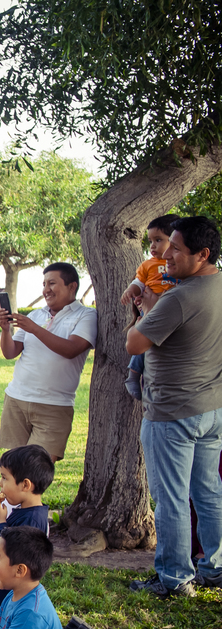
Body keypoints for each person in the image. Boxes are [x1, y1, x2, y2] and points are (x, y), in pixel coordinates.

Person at [126, 215, 222, 598]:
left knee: (171, 499)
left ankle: (174, 577)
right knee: (208, 491)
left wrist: (148, 310)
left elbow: (134, 343)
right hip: (211, 409)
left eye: (176, 249)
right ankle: (214, 568)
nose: (166, 255)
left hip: (172, 413)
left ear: (203, 254)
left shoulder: (180, 297)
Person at [0, 263, 97, 463]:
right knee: (13, 467)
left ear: (72, 287)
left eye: (52, 283)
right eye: (43, 284)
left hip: (54, 406)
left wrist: (34, 329)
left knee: (36, 470)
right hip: (17, 399)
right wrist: (6, 330)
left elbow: (71, 349)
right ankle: (9, 497)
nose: (45, 290)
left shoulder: (86, 315)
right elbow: (10, 352)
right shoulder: (36, 315)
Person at [0, 445, 54, 614]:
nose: (0, 483)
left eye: (4, 478)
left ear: (25, 485)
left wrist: (0, 521)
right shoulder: (23, 511)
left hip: (9, 597)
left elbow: (11, 550)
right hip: (1, 591)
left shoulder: (32, 520)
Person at [120, 214, 181, 400]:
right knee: (147, 340)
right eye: (151, 241)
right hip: (151, 308)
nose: (153, 246)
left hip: (169, 309)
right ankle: (134, 373)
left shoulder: (179, 266)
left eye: (158, 240)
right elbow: (138, 282)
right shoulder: (148, 265)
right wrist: (131, 291)